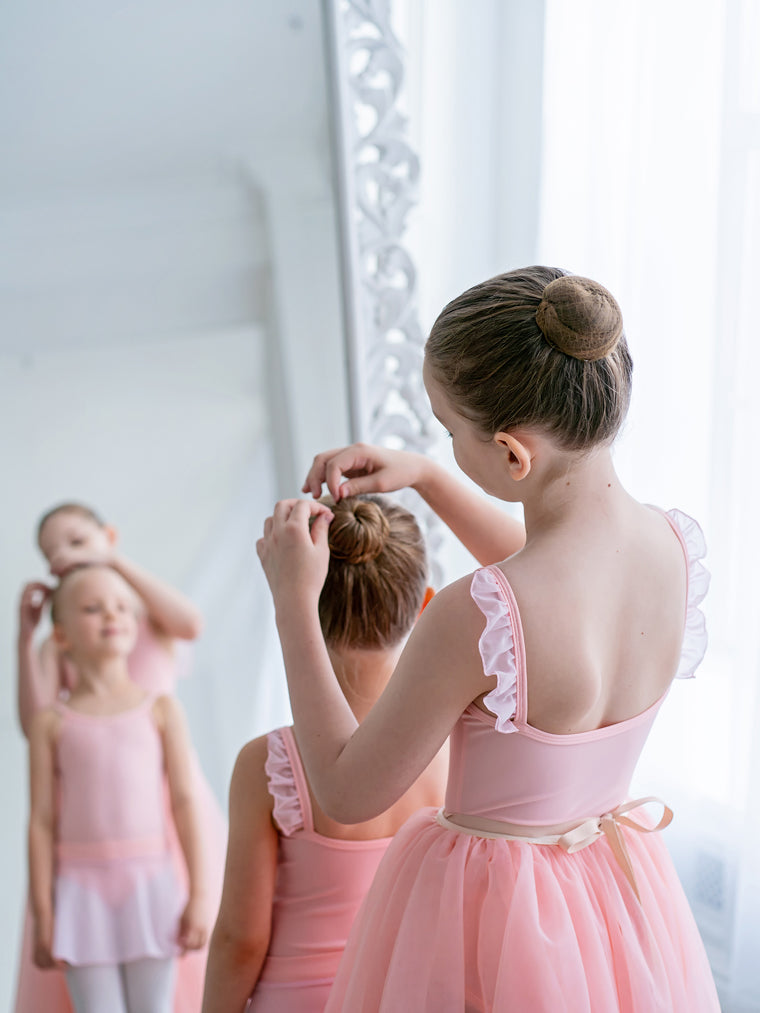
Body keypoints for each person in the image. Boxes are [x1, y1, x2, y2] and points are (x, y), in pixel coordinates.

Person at [257, 267, 721, 1012]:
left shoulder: (473, 614)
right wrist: (433, 479)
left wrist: (291, 601)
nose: (444, 442)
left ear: (512, 454)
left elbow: (347, 789)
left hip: (494, 919)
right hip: (615, 899)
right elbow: (548, 591)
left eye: (448, 430)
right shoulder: (672, 550)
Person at [202, 494, 450, 1013]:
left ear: (303, 605)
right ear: (426, 605)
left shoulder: (267, 766)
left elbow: (240, 942)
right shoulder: (454, 749)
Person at [15, 502, 226, 1013]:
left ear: (106, 536)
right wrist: (25, 634)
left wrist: (112, 563)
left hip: (164, 817)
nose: (64, 556)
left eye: (75, 541)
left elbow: (190, 622)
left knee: (174, 974)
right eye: (52, 553)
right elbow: (34, 723)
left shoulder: (139, 612)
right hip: (91, 840)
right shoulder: (60, 650)